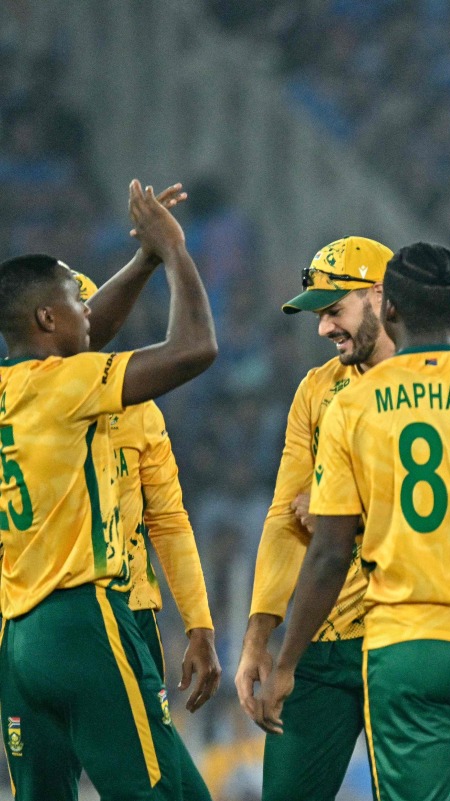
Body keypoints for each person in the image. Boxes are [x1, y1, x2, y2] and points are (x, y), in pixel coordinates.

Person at [255, 242, 450, 801]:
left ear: (390, 310)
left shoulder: (353, 405)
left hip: (408, 648)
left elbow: (329, 554)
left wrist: (285, 661)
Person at [0, 179, 217, 800]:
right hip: (84, 619)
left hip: (17, 633)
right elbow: (194, 348)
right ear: (47, 319)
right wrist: (174, 251)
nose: (89, 314)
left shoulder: (14, 390)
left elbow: (88, 331)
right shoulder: (67, 388)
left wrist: (143, 259)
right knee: (152, 792)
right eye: (75, 301)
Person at [233, 235, 396, 801]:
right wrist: (259, 638)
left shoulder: (438, 387)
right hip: (319, 643)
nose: (323, 329)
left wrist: (339, 513)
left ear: (379, 295)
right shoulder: (317, 389)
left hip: (403, 639)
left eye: (333, 311)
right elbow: (285, 516)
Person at [73, 269, 220, 801]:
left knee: (160, 780)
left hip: (128, 615)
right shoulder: (17, 405)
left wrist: (199, 624)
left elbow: (169, 522)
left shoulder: (137, 410)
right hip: (38, 616)